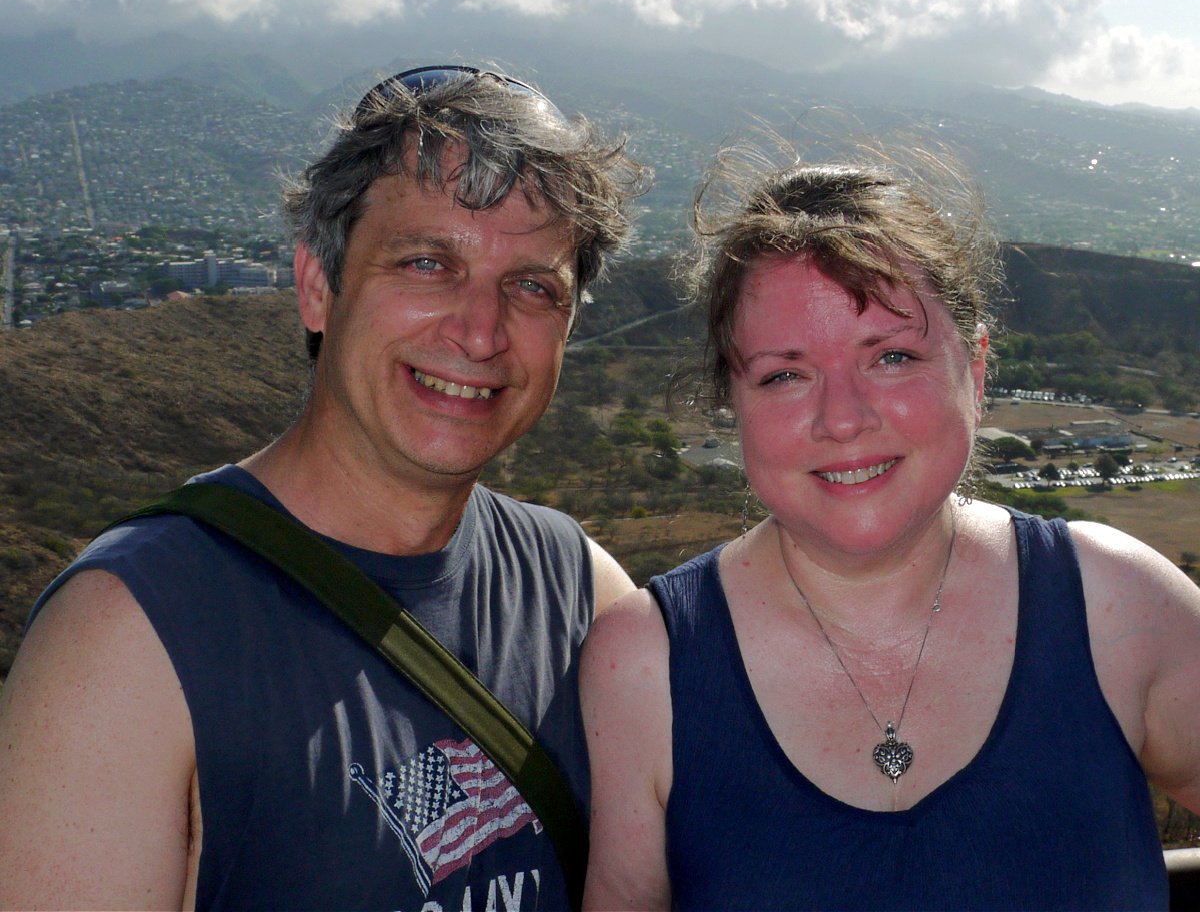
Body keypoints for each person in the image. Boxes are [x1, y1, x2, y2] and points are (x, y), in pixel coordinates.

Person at [0, 65, 647, 911]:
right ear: (316, 287)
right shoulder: (131, 638)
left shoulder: (577, 589)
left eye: (531, 287)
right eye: (426, 262)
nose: (481, 331)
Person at [581, 145, 1200, 911]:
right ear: (731, 401)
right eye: (785, 373)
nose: (842, 419)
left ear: (974, 370)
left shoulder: (1120, 605)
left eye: (893, 357)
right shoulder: (645, 667)